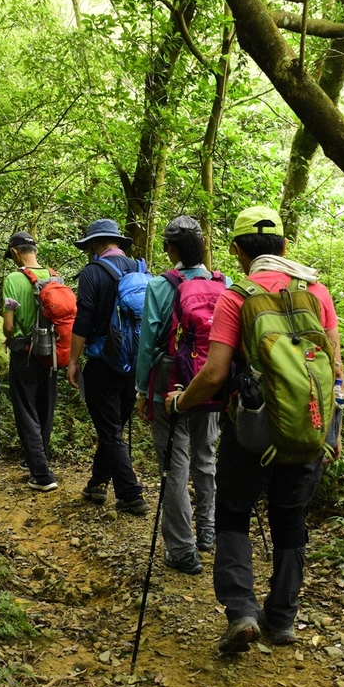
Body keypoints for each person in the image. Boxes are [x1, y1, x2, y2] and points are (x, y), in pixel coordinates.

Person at [165, 206, 344, 653]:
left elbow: (214, 373)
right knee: (290, 520)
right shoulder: (316, 292)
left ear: (238, 251)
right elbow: (335, 370)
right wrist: (333, 432)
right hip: (308, 428)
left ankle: (242, 610)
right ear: (285, 246)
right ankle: (282, 619)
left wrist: (178, 403)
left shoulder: (237, 296)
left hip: (251, 431)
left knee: (232, 514)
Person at [135, 216, 232, 574]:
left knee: (174, 464)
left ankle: (181, 548)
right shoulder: (224, 283)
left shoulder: (161, 286)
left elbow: (148, 343)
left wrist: (140, 390)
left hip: (170, 381)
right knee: (205, 453)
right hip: (210, 377)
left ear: (171, 248)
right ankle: (207, 531)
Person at [67, 218, 149, 516]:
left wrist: (73, 361)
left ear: (93, 245)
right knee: (112, 428)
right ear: (117, 243)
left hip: (103, 362)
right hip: (136, 363)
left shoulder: (92, 272)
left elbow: (84, 320)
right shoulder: (141, 269)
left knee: (110, 432)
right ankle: (98, 482)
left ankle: (130, 493)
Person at [2, 231, 58, 492]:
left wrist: (6, 334)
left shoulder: (13, 279)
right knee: (45, 407)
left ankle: (42, 474)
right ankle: (36, 460)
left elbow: (9, 326)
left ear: (15, 252)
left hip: (24, 352)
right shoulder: (54, 276)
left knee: (25, 409)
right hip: (52, 353)